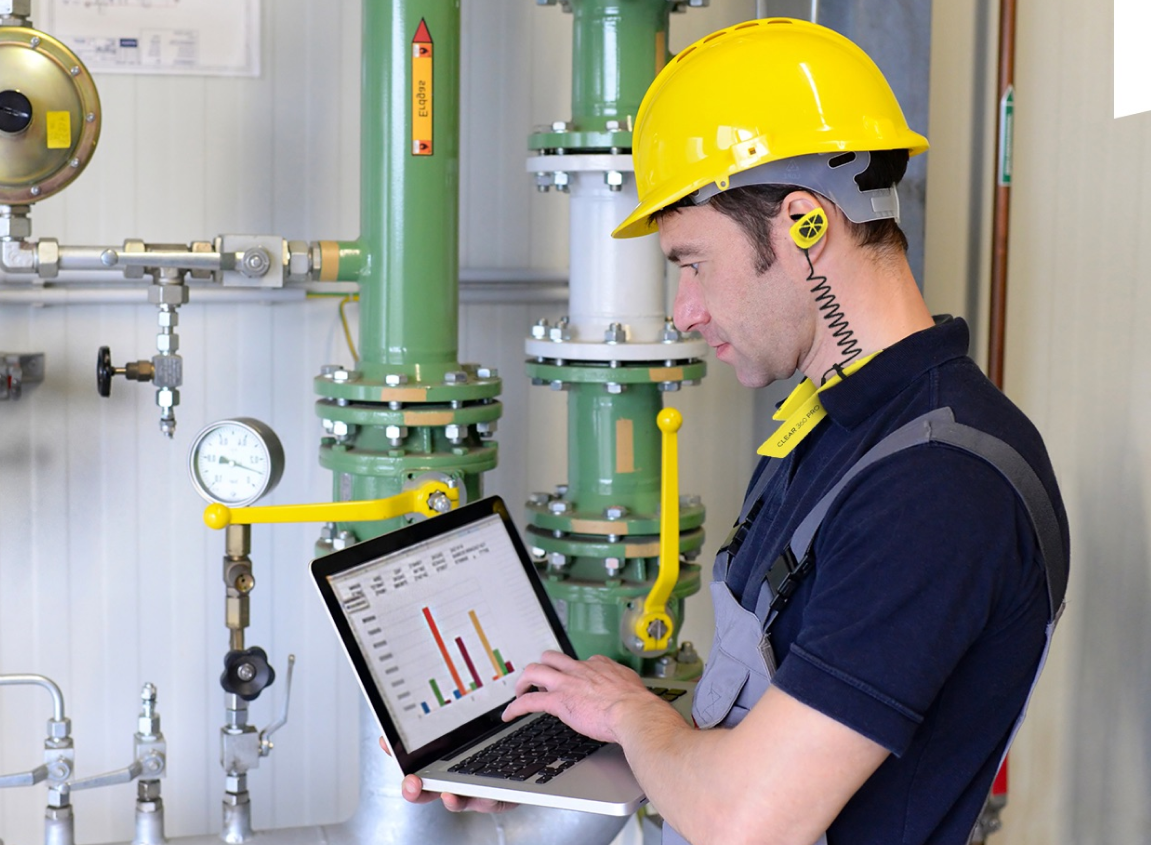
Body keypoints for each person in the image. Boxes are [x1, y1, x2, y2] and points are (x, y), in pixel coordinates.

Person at [400, 19, 1069, 845]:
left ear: (804, 226)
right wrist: (575, 757)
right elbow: (762, 730)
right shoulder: (831, 430)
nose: (685, 311)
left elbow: (751, 820)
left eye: (690, 262)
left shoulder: (937, 486)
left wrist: (628, 711)